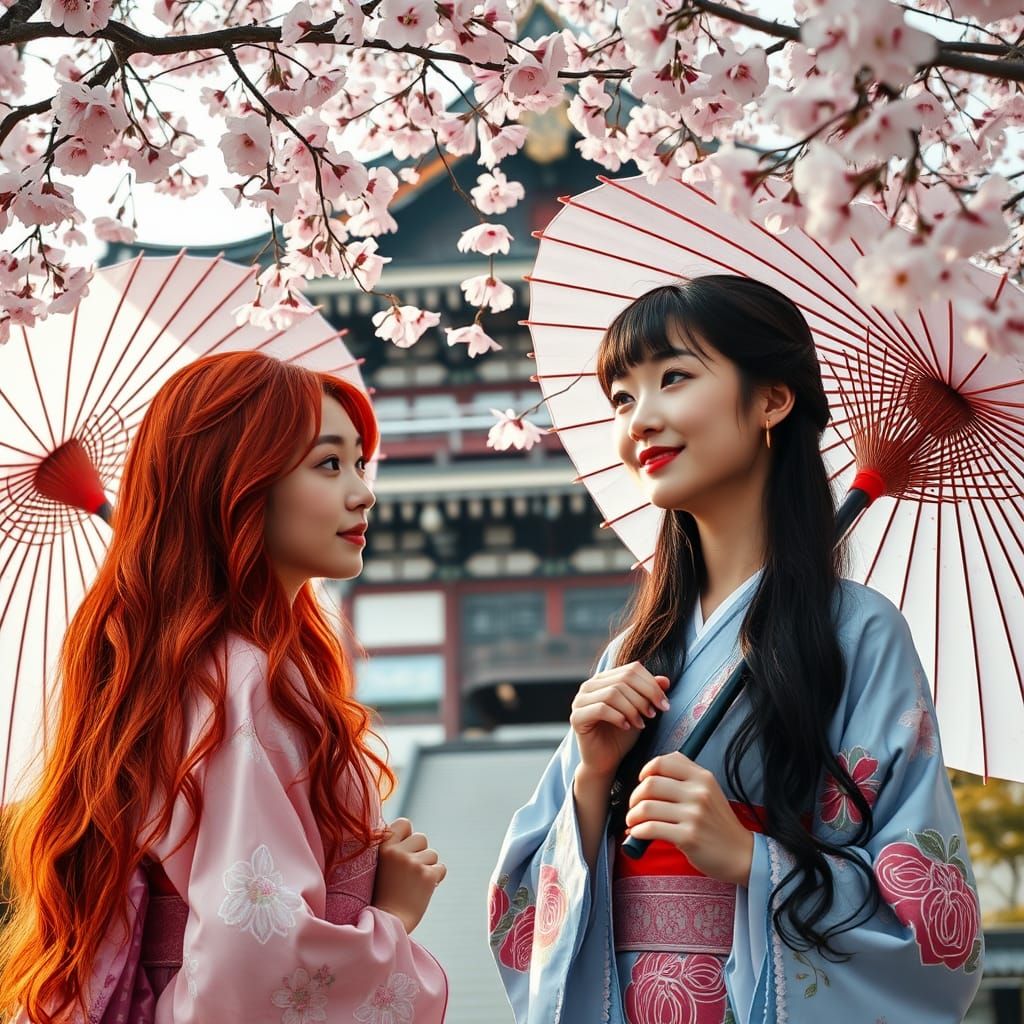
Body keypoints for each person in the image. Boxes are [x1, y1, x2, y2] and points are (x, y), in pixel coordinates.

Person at [489, 276, 983, 1024]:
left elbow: (928, 909)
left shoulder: (859, 633)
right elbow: (526, 912)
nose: (639, 420)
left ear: (771, 402)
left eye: (673, 379)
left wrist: (752, 860)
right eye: (622, 398)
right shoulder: (632, 649)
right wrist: (592, 776)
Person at [0, 351, 448, 1023]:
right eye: (329, 464)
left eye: (359, 463)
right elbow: (257, 963)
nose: (363, 492)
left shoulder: (173, 671)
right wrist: (389, 917)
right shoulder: (249, 679)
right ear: (238, 484)